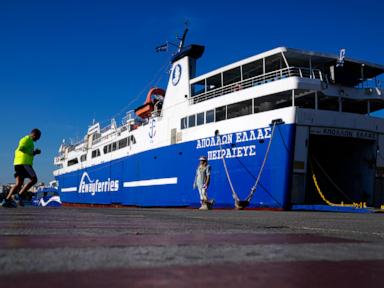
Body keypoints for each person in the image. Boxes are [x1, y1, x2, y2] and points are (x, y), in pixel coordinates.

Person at [2, 129, 42, 208]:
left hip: (18, 163)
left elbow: (28, 153)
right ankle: (18, 196)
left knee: (18, 184)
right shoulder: (26, 139)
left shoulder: (30, 142)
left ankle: (6, 201)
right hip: (24, 164)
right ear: (34, 135)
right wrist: (31, 152)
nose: (38, 139)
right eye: (38, 137)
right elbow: (21, 148)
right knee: (34, 180)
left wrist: (35, 153)